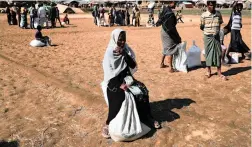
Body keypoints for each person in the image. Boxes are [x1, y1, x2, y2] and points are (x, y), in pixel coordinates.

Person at [101, 28, 160, 138]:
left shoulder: (126, 49)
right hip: (114, 81)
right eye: (120, 40)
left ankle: (147, 117)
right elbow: (109, 74)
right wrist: (120, 85)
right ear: (114, 39)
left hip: (127, 78)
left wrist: (125, 55)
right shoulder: (109, 53)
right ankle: (108, 123)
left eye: (124, 39)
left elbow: (133, 66)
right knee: (119, 96)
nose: (123, 42)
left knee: (143, 90)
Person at [200, 0, 227, 80]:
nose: (212, 7)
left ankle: (219, 72)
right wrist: (209, 32)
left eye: (213, 5)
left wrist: (217, 32)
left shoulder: (218, 14)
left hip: (217, 38)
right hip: (207, 37)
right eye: (210, 5)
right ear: (207, 5)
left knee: (218, 54)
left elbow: (220, 24)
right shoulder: (203, 15)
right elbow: (202, 27)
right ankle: (208, 71)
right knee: (208, 54)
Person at [156, 1, 181, 72]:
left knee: (165, 47)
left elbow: (160, 20)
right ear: (172, 2)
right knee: (170, 48)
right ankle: (170, 68)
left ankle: (161, 64)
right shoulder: (169, 13)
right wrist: (177, 37)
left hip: (163, 31)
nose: (175, 5)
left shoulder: (165, 9)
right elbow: (171, 28)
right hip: (168, 32)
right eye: (175, 3)